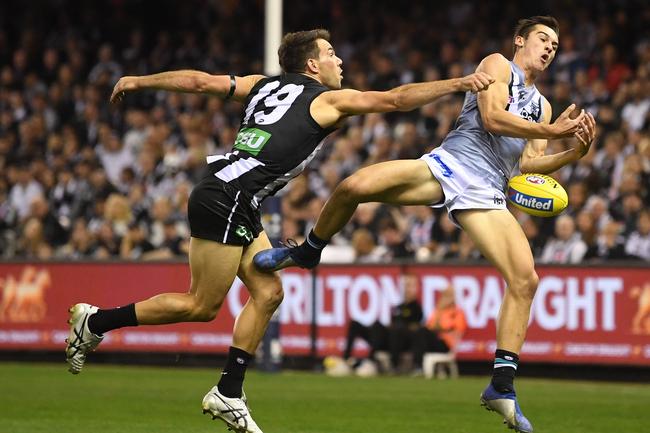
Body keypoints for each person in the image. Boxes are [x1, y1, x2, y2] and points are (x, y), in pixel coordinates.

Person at [64, 29, 494, 433]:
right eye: (330, 54)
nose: (339, 60)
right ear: (311, 66)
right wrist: (460, 82)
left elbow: (198, 83)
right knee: (201, 305)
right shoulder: (325, 100)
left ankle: (228, 391)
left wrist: (141, 81)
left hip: (233, 196)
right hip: (228, 197)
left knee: (269, 293)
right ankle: (97, 320)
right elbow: (396, 100)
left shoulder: (261, 84)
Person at [254, 17, 597, 433]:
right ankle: (308, 250)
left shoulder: (543, 105)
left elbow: (527, 165)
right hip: (449, 165)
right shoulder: (496, 66)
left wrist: (571, 153)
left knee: (526, 280)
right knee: (353, 186)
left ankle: (501, 386)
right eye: (543, 39)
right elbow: (491, 118)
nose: (549, 48)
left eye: (556, 45)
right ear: (520, 41)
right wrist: (550, 129)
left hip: (487, 190)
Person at [411, 286, 466, 375]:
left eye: (448, 296)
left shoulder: (457, 312)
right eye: (444, 295)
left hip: (446, 344)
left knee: (422, 332)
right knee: (420, 332)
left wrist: (440, 327)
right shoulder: (438, 311)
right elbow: (429, 327)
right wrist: (439, 312)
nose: (445, 298)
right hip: (435, 341)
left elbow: (457, 329)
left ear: (453, 297)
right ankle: (418, 366)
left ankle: (419, 366)